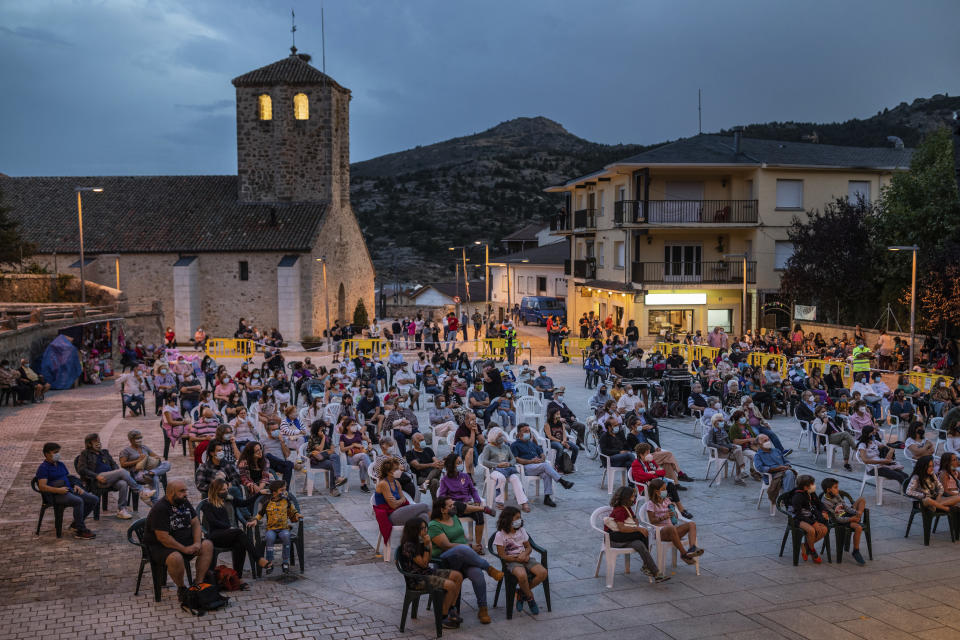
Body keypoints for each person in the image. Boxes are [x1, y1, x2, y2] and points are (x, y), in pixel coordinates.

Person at [428, 496, 504, 625]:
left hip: (463, 557)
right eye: (450, 505)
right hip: (446, 560)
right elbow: (446, 545)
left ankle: (483, 609)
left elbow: (462, 538)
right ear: (442, 510)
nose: (454, 507)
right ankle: (488, 568)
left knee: (477, 574)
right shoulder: (434, 525)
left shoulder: (454, 518)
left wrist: (471, 547)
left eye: (453, 504)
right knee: (463, 549)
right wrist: (467, 547)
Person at [144, 480, 215, 599]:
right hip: (160, 547)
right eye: (182, 491)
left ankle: (198, 583)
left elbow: (196, 523)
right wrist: (184, 549)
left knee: (207, 545)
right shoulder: (160, 509)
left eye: (186, 490)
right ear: (171, 493)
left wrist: (197, 543)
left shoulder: (183, 502)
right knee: (175, 557)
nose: (186, 493)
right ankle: (181, 588)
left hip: (183, 541)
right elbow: (163, 537)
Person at [398, 519, 464, 629]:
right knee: (451, 585)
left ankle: (451, 609)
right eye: (422, 528)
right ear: (414, 531)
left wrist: (428, 544)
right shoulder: (409, 545)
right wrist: (427, 545)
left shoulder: (420, 540)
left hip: (426, 573)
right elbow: (424, 564)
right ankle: (443, 618)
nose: (425, 530)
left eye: (425, 527)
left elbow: (428, 560)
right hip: (418, 579)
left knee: (458, 576)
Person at [76, 432, 156, 519]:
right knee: (122, 471)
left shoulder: (104, 452)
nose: (98, 443)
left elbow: (114, 465)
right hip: (97, 480)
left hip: (110, 479)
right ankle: (141, 491)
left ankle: (121, 510)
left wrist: (116, 474)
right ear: (89, 444)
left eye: (99, 441)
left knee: (123, 483)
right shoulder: (85, 454)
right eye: (96, 441)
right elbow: (81, 469)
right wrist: (96, 476)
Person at [200, 478, 271, 575]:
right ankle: (258, 559)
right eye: (223, 490)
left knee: (240, 543)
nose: (226, 492)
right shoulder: (207, 504)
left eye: (227, 489)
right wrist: (229, 527)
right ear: (215, 491)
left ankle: (238, 577)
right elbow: (213, 522)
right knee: (239, 532)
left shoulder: (229, 499)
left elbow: (244, 503)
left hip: (229, 534)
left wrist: (259, 493)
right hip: (215, 535)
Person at [602, 486, 669, 582]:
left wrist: (635, 523)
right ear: (626, 498)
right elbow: (621, 528)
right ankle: (650, 568)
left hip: (624, 536)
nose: (634, 498)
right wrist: (638, 529)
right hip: (613, 538)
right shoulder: (620, 510)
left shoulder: (627, 508)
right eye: (632, 497)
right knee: (642, 533)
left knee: (640, 544)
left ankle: (655, 572)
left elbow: (635, 520)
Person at [35, 442, 99, 539]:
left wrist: (76, 485)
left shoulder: (60, 464)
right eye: (55, 452)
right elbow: (42, 486)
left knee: (93, 499)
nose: (58, 454)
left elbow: (68, 478)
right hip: (55, 495)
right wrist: (57, 490)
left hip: (68, 490)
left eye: (58, 452)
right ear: (47, 454)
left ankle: (75, 524)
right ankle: (80, 530)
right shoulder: (43, 468)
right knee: (78, 501)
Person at [493, 506, 548, 614]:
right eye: (517, 518)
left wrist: (525, 553)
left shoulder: (522, 531)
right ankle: (530, 598)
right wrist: (516, 559)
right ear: (508, 520)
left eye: (520, 517)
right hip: (512, 560)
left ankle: (521, 593)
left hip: (525, 558)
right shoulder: (500, 535)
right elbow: (502, 555)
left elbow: (528, 547)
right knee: (522, 576)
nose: (520, 520)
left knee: (543, 573)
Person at [372, 457, 430, 550]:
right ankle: (435, 535)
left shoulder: (396, 483)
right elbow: (393, 505)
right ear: (388, 472)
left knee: (424, 516)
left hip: (399, 511)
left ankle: (421, 545)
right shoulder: (383, 484)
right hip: (390, 516)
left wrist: (398, 501)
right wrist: (400, 501)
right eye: (396, 469)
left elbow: (403, 499)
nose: (399, 470)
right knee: (425, 506)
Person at [511, 423, 574, 508]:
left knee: (546, 473)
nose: (528, 433)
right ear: (519, 433)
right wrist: (530, 461)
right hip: (526, 467)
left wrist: (542, 458)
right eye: (525, 431)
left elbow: (541, 452)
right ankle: (562, 481)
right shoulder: (515, 445)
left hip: (538, 466)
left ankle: (547, 498)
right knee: (545, 466)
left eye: (529, 431)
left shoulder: (531, 443)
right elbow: (516, 459)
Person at [644, 478, 703, 565]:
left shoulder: (667, 500)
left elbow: (674, 516)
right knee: (671, 528)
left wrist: (674, 513)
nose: (666, 491)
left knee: (691, 524)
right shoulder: (651, 504)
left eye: (665, 489)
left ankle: (692, 548)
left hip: (672, 531)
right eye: (663, 489)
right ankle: (684, 554)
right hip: (660, 532)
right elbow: (652, 521)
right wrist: (664, 517)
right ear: (656, 492)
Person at [631, 443, 693, 518]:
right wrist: (656, 474)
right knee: (666, 491)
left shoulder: (650, 461)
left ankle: (679, 510)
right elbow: (645, 477)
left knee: (670, 486)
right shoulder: (636, 464)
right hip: (646, 488)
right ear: (641, 454)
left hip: (656, 484)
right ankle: (673, 511)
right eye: (647, 453)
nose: (649, 454)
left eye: (649, 452)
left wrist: (654, 472)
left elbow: (663, 472)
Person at [253, 480, 301, 574]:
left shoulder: (286, 501)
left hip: (284, 529)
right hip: (271, 529)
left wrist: (297, 515)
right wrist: (255, 520)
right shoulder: (267, 503)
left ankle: (285, 561)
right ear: (274, 493)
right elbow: (260, 514)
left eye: (284, 490)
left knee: (286, 536)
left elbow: (293, 510)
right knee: (269, 538)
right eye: (281, 490)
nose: (284, 492)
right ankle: (269, 562)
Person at [820, 477, 867, 565]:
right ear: (828, 490)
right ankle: (856, 551)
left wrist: (856, 512)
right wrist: (850, 519)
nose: (838, 489)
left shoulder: (837, 495)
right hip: (839, 521)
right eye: (836, 487)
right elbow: (836, 518)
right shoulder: (825, 502)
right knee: (858, 528)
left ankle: (858, 517)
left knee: (862, 499)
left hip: (845, 514)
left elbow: (845, 507)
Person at [481, 427, 529, 512]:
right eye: (499, 436)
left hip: (507, 469)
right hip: (494, 470)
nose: (501, 438)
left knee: (515, 478)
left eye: (502, 436)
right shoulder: (488, 447)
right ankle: (499, 501)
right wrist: (498, 465)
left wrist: (509, 463)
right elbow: (484, 461)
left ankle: (523, 502)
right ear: (493, 437)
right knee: (501, 478)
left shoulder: (506, 447)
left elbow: (513, 459)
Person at [118, 429, 171, 496]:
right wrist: (138, 460)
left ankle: (152, 473)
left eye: (140, 438)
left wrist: (155, 458)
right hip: (138, 473)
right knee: (154, 478)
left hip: (149, 469)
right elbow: (123, 464)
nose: (139, 440)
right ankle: (155, 501)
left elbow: (155, 455)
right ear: (131, 439)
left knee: (167, 464)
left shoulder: (144, 447)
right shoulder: (126, 451)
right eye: (137, 438)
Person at [790, 475, 829, 563]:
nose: (814, 485)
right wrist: (813, 523)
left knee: (824, 529)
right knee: (811, 530)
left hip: (810, 517)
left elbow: (819, 504)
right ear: (805, 487)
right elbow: (798, 514)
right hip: (798, 519)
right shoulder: (797, 497)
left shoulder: (810, 493)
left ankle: (806, 546)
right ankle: (812, 551)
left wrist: (824, 511)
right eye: (812, 484)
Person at [753, 434, 797, 504]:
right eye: (765, 441)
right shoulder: (758, 455)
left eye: (768, 440)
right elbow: (760, 468)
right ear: (759, 444)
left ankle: (788, 498)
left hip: (784, 472)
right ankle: (788, 500)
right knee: (790, 474)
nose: (768, 442)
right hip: (772, 476)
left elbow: (786, 461)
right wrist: (776, 469)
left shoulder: (776, 450)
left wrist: (787, 466)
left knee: (798, 478)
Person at [811, 405, 856, 471]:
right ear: (818, 413)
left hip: (837, 436)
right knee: (845, 433)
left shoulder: (829, 418)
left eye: (825, 411)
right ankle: (856, 448)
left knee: (845, 442)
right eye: (822, 412)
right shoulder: (817, 421)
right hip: (828, 438)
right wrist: (825, 423)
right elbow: (821, 432)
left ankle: (846, 464)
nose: (825, 413)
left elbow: (837, 427)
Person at [707, 413, 747, 485]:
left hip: (728, 451)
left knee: (738, 450)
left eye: (722, 420)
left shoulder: (723, 430)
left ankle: (741, 473)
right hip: (718, 452)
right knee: (739, 454)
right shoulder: (712, 431)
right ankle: (739, 476)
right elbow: (709, 443)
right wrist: (721, 447)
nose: (721, 422)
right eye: (719, 420)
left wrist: (731, 445)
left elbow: (728, 441)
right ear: (714, 422)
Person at [405, 432, 444, 499]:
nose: (423, 442)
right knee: (434, 481)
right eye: (420, 440)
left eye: (423, 440)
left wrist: (441, 462)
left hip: (433, 474)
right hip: (420, 477)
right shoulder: (410, 453)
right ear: (414, 442)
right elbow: (417, 466)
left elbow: (436, 462)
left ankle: (425, 483)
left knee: (438, 467)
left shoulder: (428, 450)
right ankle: (435, 503)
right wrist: (432, 465)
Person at [338, 417, 373, 493]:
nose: (354, 426)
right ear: (347, 427)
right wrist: (353, 445)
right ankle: (373, 474)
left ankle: (363, 485)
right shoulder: (343, 436)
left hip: (361, 457)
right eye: (352, 425)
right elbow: (342, 449)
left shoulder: (358, 433)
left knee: (362, 463)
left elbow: (367, 439)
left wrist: (370, 443)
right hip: (351, 458)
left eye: (355, 424)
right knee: (363, 455)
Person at [454, 411, 484, 475]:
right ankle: (469, 474)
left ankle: (487, 472)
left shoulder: (477, 426)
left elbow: (482, 441)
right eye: (472, 419)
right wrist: (472, 431)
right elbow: (470, 444)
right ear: (466, 420)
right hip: (460, 447)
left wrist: (477, 432)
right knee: (470, 450)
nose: (474, 421)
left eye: (475, 419)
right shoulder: (461, 428)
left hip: (472, 446)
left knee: (486, 447)